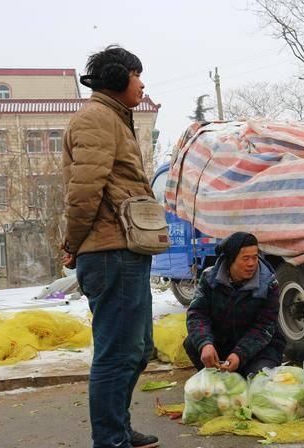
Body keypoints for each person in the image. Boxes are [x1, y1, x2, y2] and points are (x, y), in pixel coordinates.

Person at [61, 46, 159, 448]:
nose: (142, 83)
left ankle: (117, 428)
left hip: (125, 250)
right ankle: (110, 440)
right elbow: (83, 191)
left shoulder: (114, 119)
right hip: (109, 253)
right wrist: (73, 241)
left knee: (137, 351)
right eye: (137, 75)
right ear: (119, 78)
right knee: (117, 354)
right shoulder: (97, 119)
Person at [183, 232, 286, 377]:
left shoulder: (269, 283)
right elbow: (196, 314)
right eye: (245, 258)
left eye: (255, 257)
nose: (251, 263)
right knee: (193, 343)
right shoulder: (209, 278)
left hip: (259, 348)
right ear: (230, 260)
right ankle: (217, 381)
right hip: (224, 342)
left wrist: (240, 353)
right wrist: (205, 344)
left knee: (258, 379)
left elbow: (265, 326)